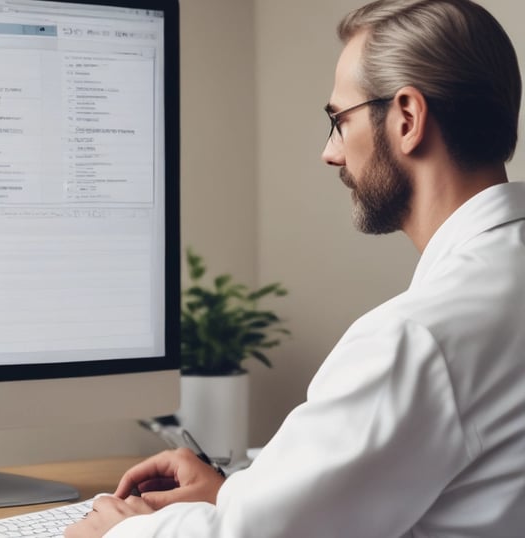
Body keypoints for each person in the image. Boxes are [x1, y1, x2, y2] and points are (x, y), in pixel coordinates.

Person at [65, 0, 525, 535]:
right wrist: (235, 494)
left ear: (407, 118)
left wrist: (116, 531)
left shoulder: (418, 339)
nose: (331, 153)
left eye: (339, 120)